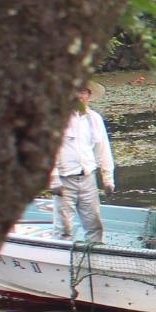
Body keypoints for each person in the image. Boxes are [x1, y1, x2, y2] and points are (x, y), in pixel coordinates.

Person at [49, 83, 115, 243]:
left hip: (88, 179)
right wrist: (53, 180)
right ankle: (60, 261)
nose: (80, 96)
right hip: (64, 180)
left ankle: (95, 259)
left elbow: (103, 149)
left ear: (89, 95)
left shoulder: (95, 119)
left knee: (94, 226)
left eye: (84, 92)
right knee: (63, 229)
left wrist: (108, 179)